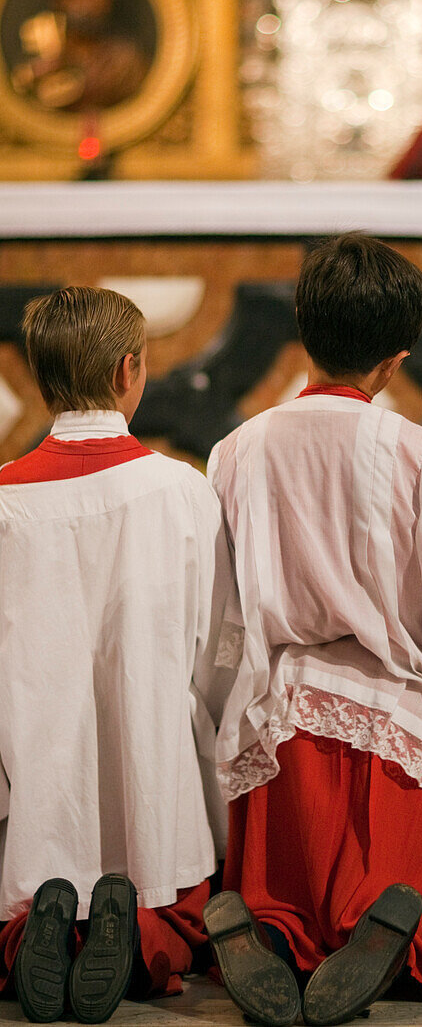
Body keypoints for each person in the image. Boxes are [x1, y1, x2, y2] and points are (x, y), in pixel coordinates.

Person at [206, 233, 422, 1027]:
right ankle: (384, 932)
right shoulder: (420, 451)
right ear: (397, 359)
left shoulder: (236, 449)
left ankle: (271, 932)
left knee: (278, 899)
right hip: (394, 724)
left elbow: (223, 621)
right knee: (410, 905)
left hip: (283, 718)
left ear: (302, 329)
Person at [0, 286, 234, 1022]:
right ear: (130, 369)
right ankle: (131, 933)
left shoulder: (3, 500)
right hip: (149, 761)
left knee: (30, 848)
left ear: (39, 376)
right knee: (173, 897)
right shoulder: (180, 491)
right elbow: (216, 650)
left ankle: (39, 919)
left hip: (32, 766)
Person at [12, 0, 149, 111]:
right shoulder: (39, 54)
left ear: (108, 4)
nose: (86, 8)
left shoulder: (127, 61)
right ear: (59, 0)